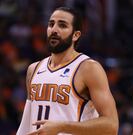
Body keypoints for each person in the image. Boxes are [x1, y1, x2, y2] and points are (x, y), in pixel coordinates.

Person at [17, 7, 118, 135]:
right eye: (51, 24)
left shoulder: (88, 68)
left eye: (62, 25)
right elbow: (27, 121)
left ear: (76, 35)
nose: (54, 30)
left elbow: (111, 125)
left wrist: (62, 127)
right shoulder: (34, 69)